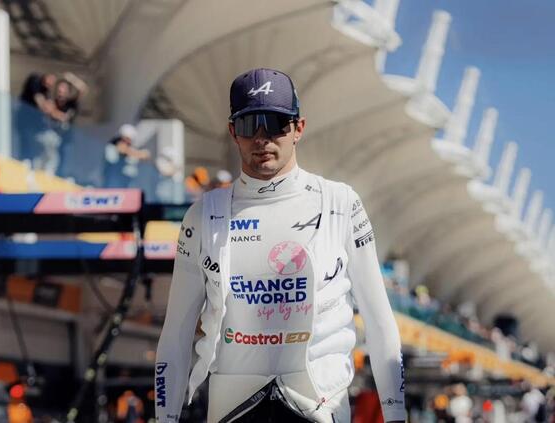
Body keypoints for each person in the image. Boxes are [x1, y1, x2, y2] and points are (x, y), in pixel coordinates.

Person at [155, 68, 405, 422]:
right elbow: (175, 333)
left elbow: (381, 325)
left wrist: (396, 416)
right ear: (232, 133)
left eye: (275, 123)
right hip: (232, 409)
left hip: (320, 406)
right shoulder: (203, 216)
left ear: (298, 128)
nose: (262, 138)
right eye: (248, 124)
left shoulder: (341, 203)